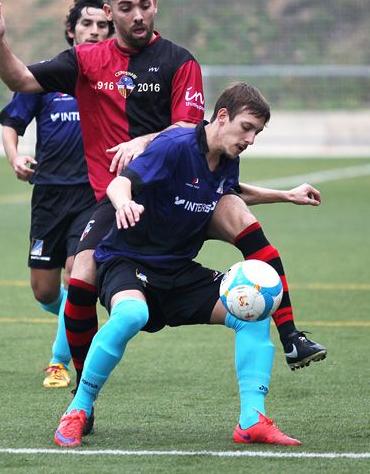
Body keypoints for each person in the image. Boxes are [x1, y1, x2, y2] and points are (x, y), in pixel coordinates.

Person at [0, 0, 325, 391]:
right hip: (121, 198)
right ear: (110, 13)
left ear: (154, 4)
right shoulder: (86, 60)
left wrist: (143, 141)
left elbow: (188, 129)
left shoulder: (179, 62)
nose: (138, 15)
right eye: (126, 8)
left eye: (144, 5)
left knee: (247, 227)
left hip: (183, 190)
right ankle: (84, 392)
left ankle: (291, 337)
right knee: (80, 274)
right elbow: (22, 79)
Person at [53, 83, 301, 447]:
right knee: (131, 314)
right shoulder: (174, 146)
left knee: (253, 312)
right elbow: (120, 183)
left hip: (178, 270)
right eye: (246, 127)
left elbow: (229, 191)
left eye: (257, 133)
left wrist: (285, 195)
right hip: (128, 261)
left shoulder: (228, 159)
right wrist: (124, 204)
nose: (250, 139)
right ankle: (78, 410)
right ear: (222, 116)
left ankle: (252, 420)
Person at [0, 0, 112, 389]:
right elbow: (11, 124)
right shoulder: (50, 77)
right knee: (44, 291)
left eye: (102, 25)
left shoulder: (116, 78)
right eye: (87, 24)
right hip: (48, 194)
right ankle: (77, 319)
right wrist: (15, 157)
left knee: (74, 274)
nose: (95, 31)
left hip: (93, 195)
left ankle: (59, 362)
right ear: (71, 30)